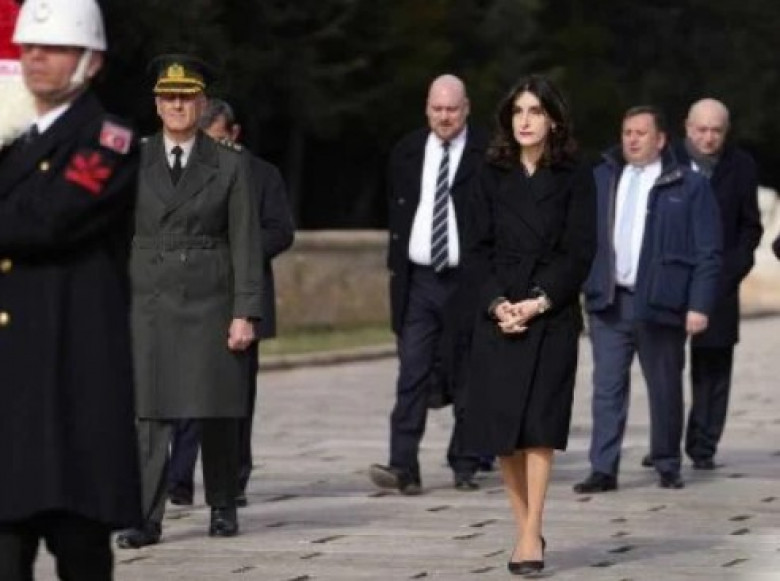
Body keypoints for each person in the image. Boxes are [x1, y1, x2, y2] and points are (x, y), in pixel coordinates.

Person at [0, 0, 142, 578]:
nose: (36, 58)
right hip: (11, 380)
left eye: (55, 48)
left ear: (91, 62)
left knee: (80, 544)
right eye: (29, 47)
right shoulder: (11, 138)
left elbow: (48, 220)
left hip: (72, 375)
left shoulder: (108, 139)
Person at [116, 55, 263, 548]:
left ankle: (222, 504)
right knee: (149, 412)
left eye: (186, 97)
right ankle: (144, 516)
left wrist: (244, 312)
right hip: (149, 299)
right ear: (157, 105)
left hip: (210, 297)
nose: (177, 105)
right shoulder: (133, 160)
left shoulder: (230, 163)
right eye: (168, 97)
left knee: (216, 405)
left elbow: (245, 241)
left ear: (201, 104)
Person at [463, 75, 597, 576]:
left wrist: (538, 302)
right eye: (518, 111)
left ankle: (531, 531)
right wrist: (498, 304)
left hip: (551, 313)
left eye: (535, 111)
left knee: (540, 426)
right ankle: (525, 528)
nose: (525, 120)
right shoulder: (488, 172)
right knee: (505, 431)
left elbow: (580, 250)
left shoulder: (575, 175)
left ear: (554, 120)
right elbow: (474, 249)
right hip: (498, 314)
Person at [575, 105, 722, 494]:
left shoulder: (689, 185)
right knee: (606, 388)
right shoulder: (602, 178)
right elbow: (582, 238)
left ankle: (667, 463)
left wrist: (699, 304)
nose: (632, 140)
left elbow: (708, 252)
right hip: (610, 302)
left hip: (661, 301)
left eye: (641, 133)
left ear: (660, 140)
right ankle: (602, 469)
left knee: (664, 387)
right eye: (627, 133)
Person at [166, 98, 295, 508]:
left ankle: (233, 479)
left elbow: (281, 230)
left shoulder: (263, 175)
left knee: (235, 396)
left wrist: (240, 250)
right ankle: (179, 478)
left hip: (242, 297)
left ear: (234, 134)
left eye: (218, 141)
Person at [368, 74, 488, 494]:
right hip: (417, 279)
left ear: (466, 109)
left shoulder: (488, 153)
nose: (444, 117)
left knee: (469, 374)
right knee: (412, 372)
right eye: (437, 109)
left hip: (469, 280)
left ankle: (466, 462)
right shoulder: (406, 151)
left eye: (452, 109)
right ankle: (403, 465)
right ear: (427, 109)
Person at [657, 99, 761, 470]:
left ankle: (703, 446)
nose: (708, 137)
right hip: (668, 279)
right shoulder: (665, 161)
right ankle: (663, 443)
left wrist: (731, 272)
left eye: (716, 130)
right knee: (663, 368)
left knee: (713, 368)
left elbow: (750, 226)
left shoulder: (741, 165)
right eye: (701, 129)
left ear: (726, 132)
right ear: (687, 127)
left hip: (719, 281)